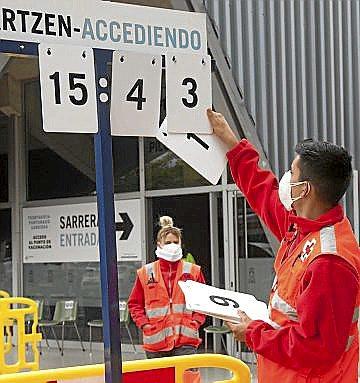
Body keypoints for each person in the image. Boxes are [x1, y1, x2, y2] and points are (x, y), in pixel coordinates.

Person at [207, 109, 360, 383]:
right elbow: (263, 194)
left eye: (291, 172)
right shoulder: (302, 226)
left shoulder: (330, 262)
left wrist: (252, 332)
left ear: (304, 189)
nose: (285, 178)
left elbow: (317, 347)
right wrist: (234, 145)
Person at [128, 216, 206, 383]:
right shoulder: (145, 272)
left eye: (175, 242)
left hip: (185, 340)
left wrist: (196, 322)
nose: (172, 246)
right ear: (159, 245)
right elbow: (134, 304)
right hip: (156, 341)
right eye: (168, 242)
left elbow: (203, 301)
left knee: (188, 380)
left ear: (180, 244)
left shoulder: (193, 271)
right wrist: (145, 325)